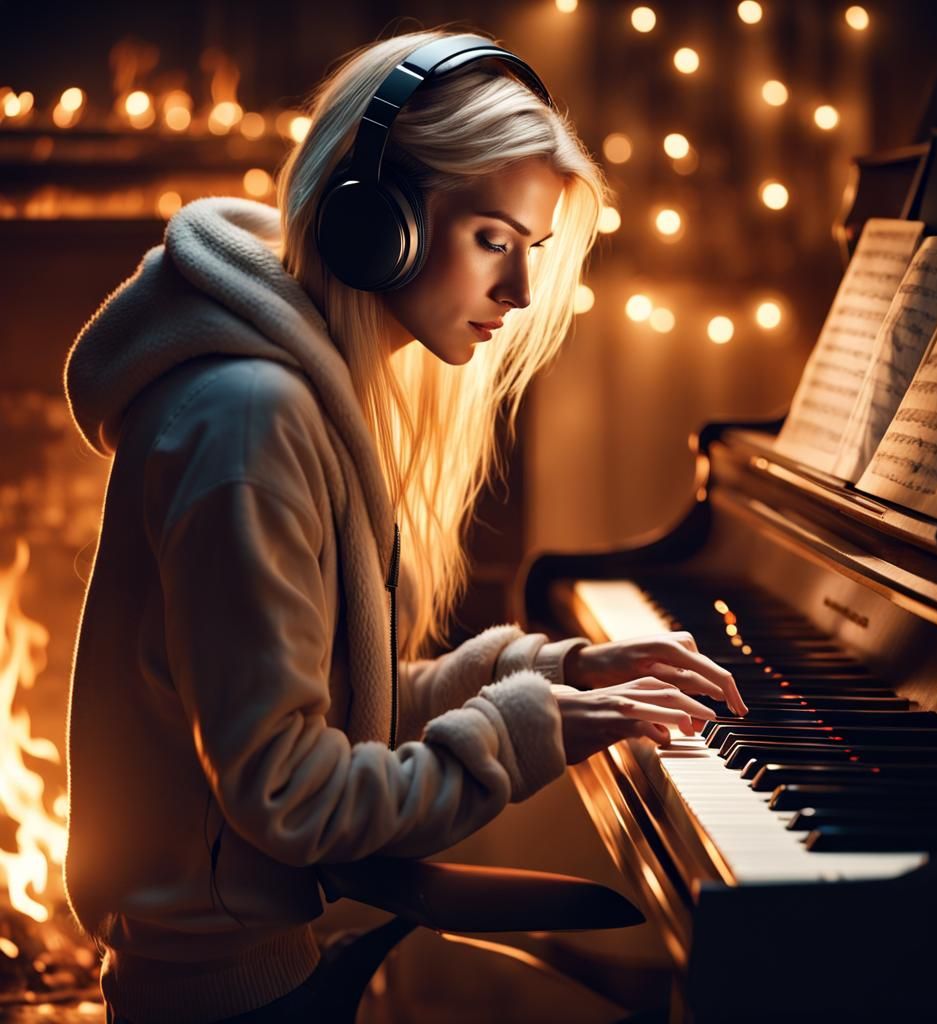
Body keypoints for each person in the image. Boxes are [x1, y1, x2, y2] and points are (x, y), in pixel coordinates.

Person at [62, 26, 747, 1024]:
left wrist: (551, 674)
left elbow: (339, 711)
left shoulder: (296, 394)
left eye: (532, 253)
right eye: (492, 241)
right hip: (226, 1000)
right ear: (374, 221)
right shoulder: (249, 420)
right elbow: (293, 792)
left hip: (269, 960)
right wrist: (525, 734)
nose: (517, 295)